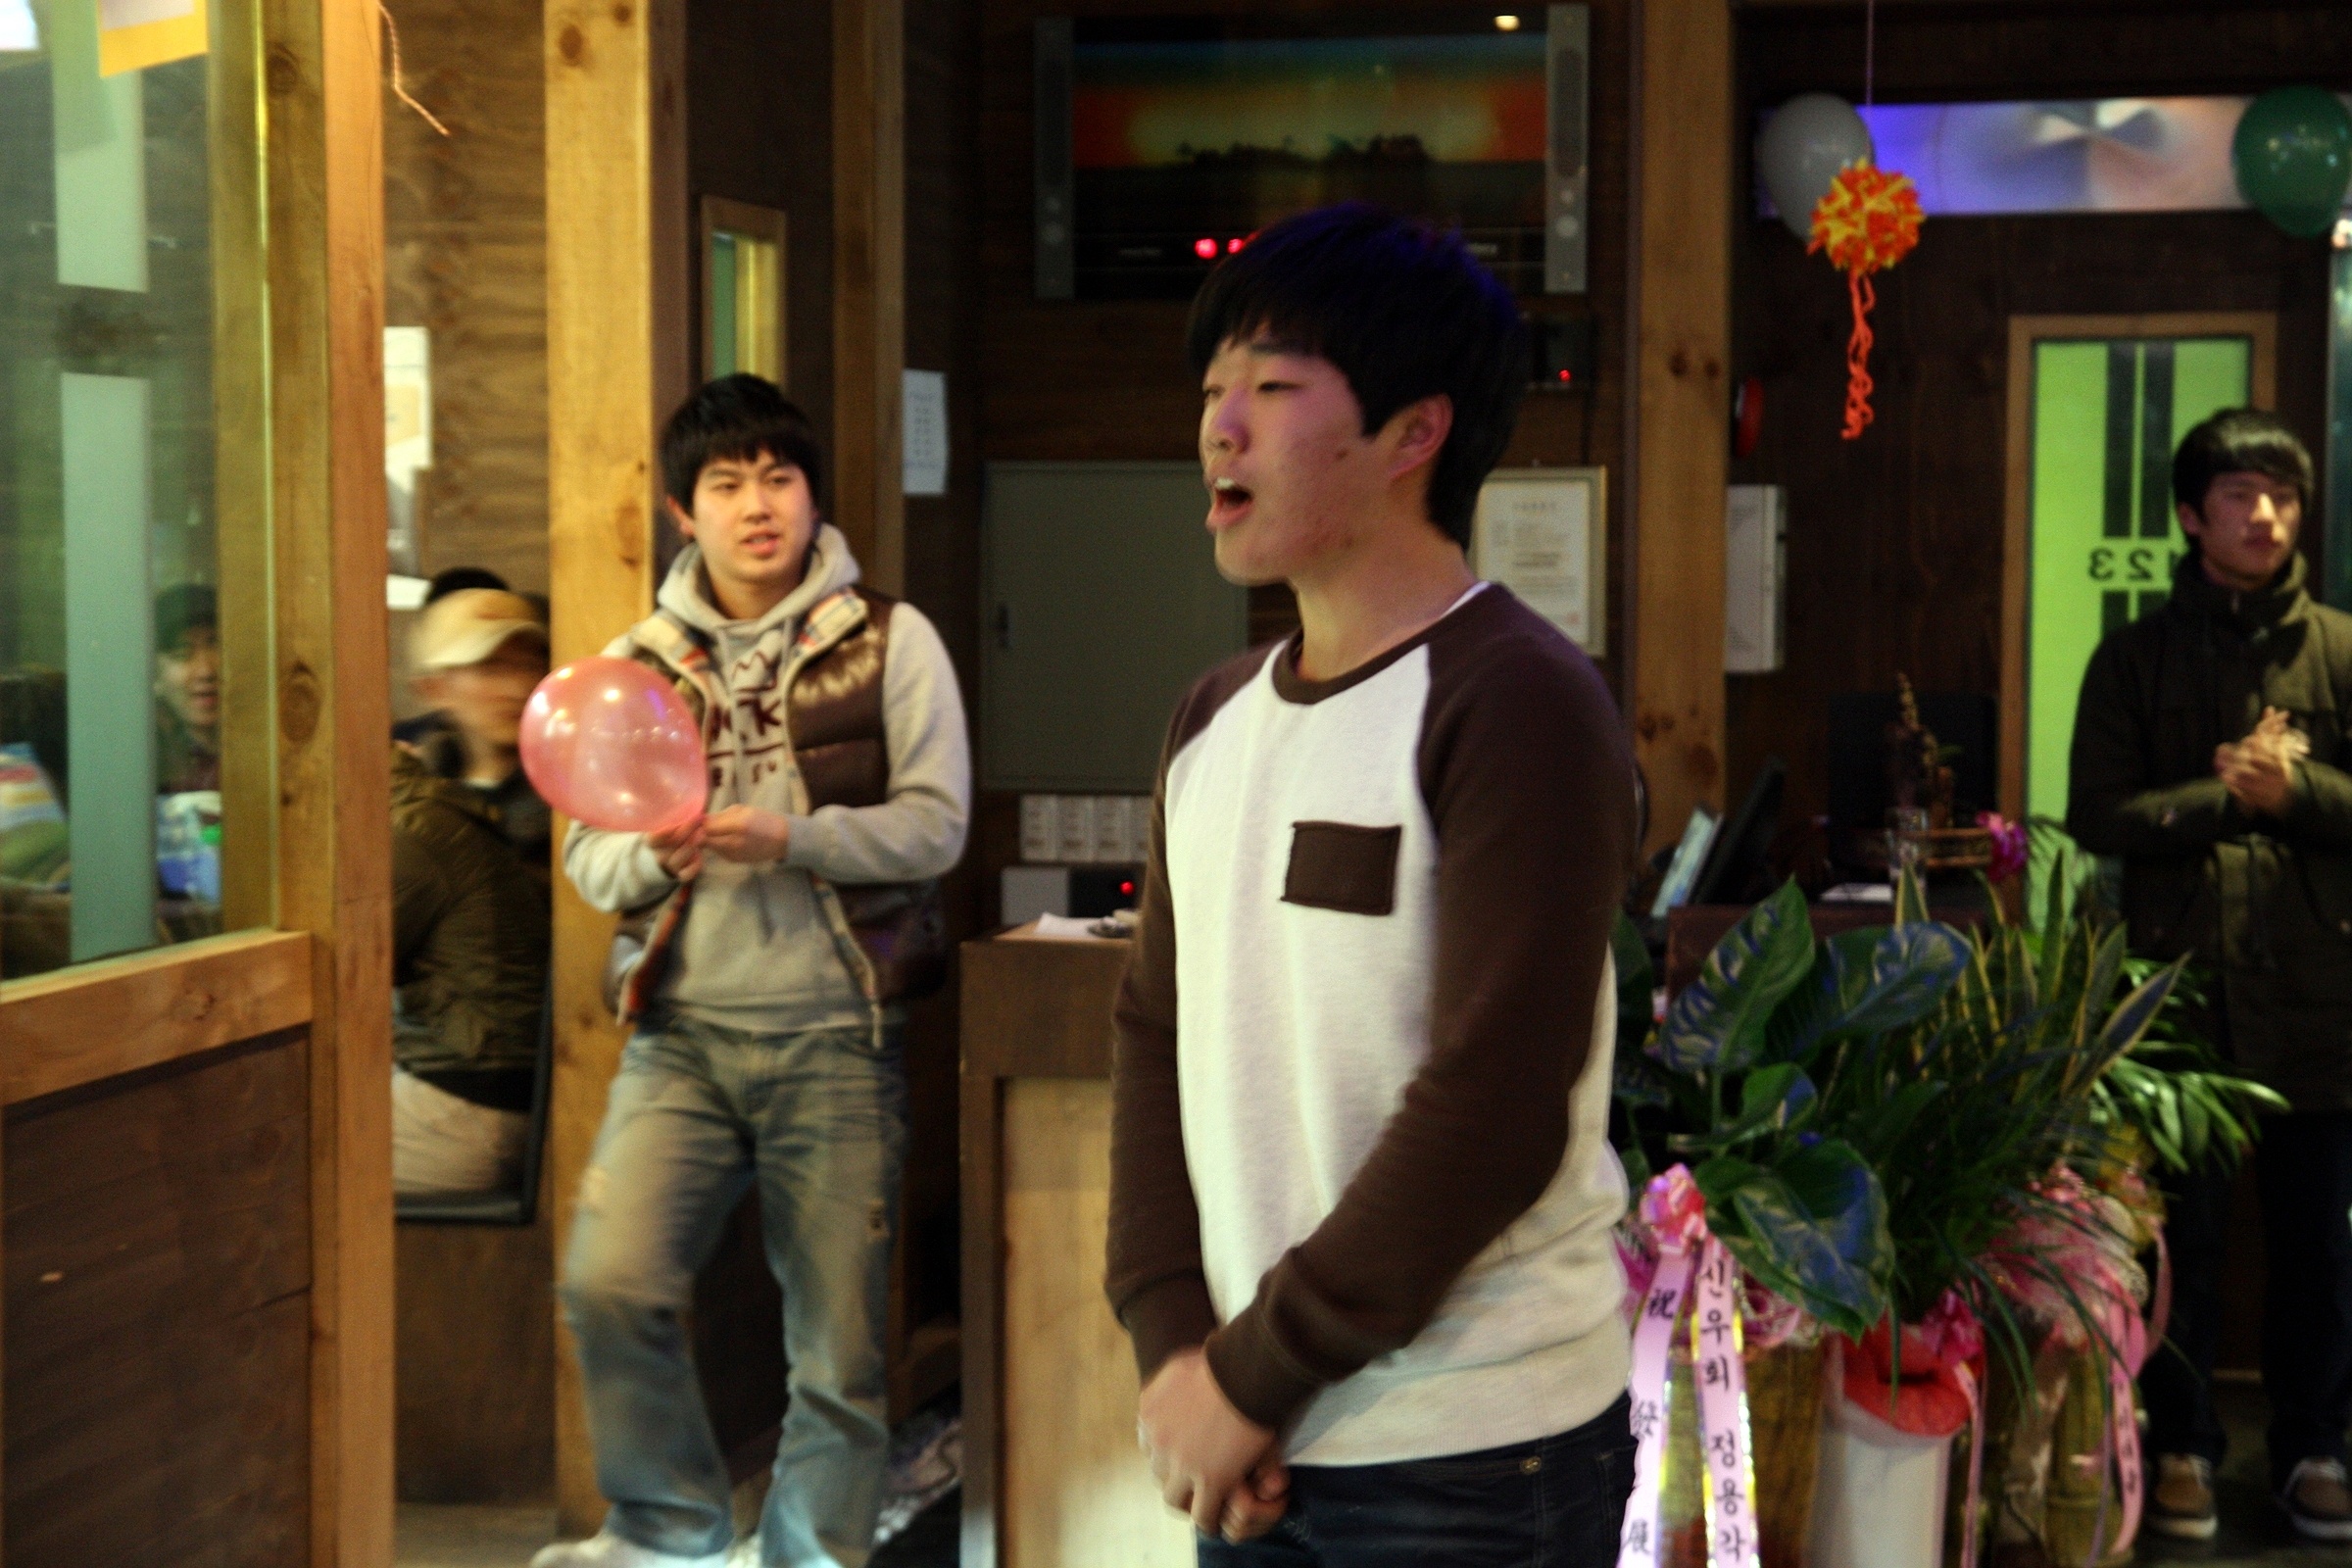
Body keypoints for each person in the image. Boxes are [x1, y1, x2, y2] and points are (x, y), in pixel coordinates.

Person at [1106, 204, 1640, 1566]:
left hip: (1471, 1445)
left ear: (1416, 434)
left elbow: (1494, 1105)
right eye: (1213, 390)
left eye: (1274, 388)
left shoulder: (1515, 698)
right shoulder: (1212, 716)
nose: (1221, 427)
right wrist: (1178, 1350)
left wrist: (1245, 1377)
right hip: (1256, 1433)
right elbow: (1156, 1032)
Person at [540, 374, 970, 1568]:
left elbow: (937, 826)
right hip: (679, 1039)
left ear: (813, 494)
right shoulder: (636, 662)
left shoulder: (889, 639)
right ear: (685, 512)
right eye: (726, 485)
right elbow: (588, 859)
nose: (758, 505)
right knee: (610, 1281)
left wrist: (794, 837)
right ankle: (666, 1530)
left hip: (839, 1037)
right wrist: (652, 855)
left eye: (779, 477)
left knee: (837, 1355)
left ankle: (808, 1557)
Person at [2068, 409, 2352, 1544]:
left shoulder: (2342, 650)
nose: (2266, 516)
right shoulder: (2132, 657)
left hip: (2323, 1000)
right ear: (2191, 515)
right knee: (2181, 1242)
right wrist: (2219, 798)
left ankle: (2316, 1448)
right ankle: (2181, 1443)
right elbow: (2097, 813)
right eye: (2240, 496)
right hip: (2180, 998)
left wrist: (2301, 793)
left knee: (2319, 1245)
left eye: (2282, 496)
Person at [391, 589, 554, 1197]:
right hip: (430, 1061)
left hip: (502, 1090)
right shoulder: (424, 791)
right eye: (489, 668)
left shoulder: (573, 797)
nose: (516, 687)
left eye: (528, 663)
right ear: (433, 688)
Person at [153, 584, 220, 793]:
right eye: (183, 654)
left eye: (217, 646)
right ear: (155, 677)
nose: (206, 671)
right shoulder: (145, 765)